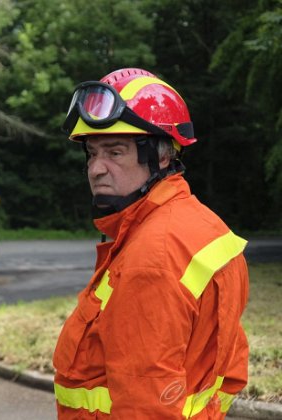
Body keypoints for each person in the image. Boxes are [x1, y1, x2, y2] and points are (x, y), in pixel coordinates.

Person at [53, 68, 249, 419]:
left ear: (161, 156)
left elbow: (145, 404)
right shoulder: (203, 227)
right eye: (92, 153)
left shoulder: (153, 257)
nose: (96, 169)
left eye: (115, 153)